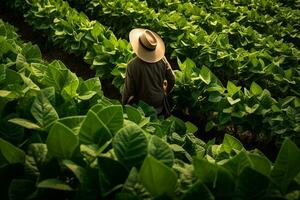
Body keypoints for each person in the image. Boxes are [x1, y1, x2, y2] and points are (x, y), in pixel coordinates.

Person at [122, 28, 175, 116]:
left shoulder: (132, 65)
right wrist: (165, 91)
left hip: (143, 105)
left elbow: (128, 90)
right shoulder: (162, 59)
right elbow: (172, 79)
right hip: (159, 100)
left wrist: (123, 104)